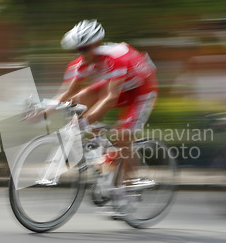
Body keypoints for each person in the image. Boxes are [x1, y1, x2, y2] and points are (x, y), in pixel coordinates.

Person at [55, 19, 159, 211]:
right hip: (121, 86)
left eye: (85, 49)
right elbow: (67, 93)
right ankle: (104, 149)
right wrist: (44, 109)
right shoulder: (80, 63)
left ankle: (130, 186)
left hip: (142, 90)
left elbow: (111, 98)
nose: (81, 54)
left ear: (96, 45)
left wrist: (85, 120)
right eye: (78, 50)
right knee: (79, 99)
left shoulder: (115, 59)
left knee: (123, 135)